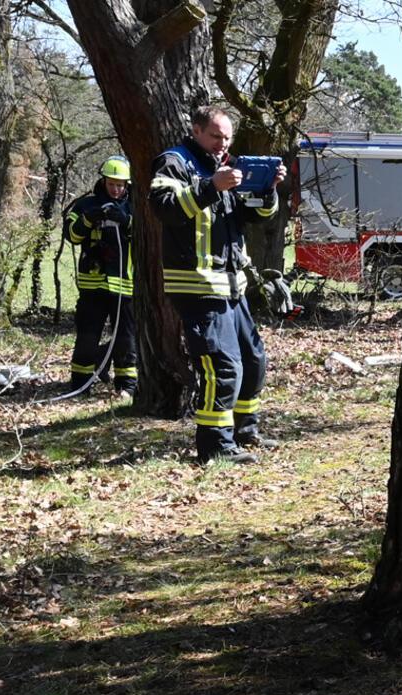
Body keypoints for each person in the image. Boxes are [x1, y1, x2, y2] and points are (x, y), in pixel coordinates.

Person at [149, 104, 284, 465]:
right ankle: (215, 447)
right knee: (222, 365)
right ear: (195, 130)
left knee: (254, 360)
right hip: (196, 284)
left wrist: (267, 190)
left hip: (231, 285)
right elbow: (163, 207)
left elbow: (255, 217)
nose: (221, 144)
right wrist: (211, 187)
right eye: (214, 137)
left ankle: (245, 431)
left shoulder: (229, 164)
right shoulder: (174, 162)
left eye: (226, 138)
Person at [61, 156, 136, 394]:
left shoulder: (134, 207)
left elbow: (148, 235)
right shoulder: (85, 205)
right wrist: (87, 220)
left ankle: (126, 386)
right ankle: (80, 386)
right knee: (87, 336)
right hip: (92, 285)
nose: (116, 189)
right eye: (112, 184)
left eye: (120, 185)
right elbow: (72, 236)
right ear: (103, 181)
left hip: (125, 284)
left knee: (125, 339)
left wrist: (126, 222)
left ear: (127, 185)